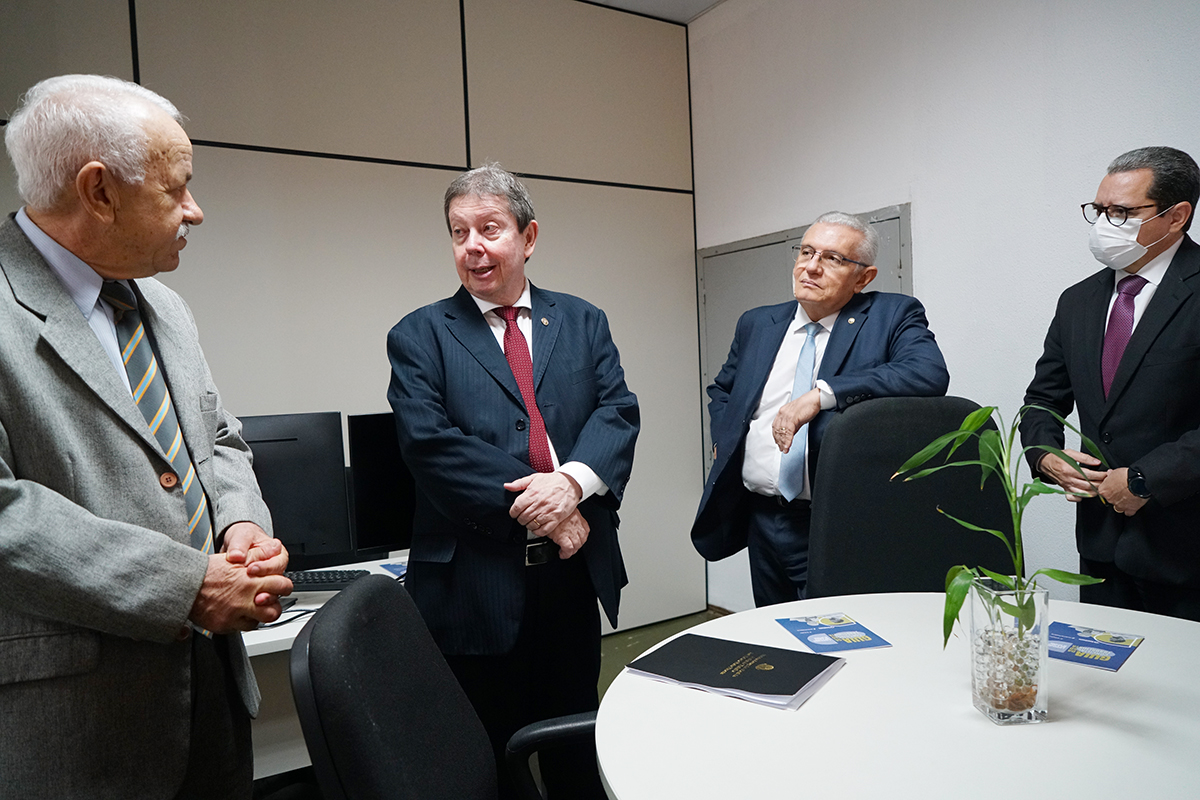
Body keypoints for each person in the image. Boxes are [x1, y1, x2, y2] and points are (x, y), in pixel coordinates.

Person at [0, 75, 292, 799]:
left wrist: (242, 522)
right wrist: (186, 586)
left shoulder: (164, 304)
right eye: (176, 189)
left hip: (215, 696)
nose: (196, 211)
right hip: (82, 722)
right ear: (98, 191)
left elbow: (217, 436)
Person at [386, 164, 639, 798]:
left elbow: (617, 412)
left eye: (489, 228)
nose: (472, 246)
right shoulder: (420, 335)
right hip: (474, 581)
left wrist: (573, 485)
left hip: (569, 576)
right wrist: (552, 503)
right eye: (458, 232)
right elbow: (432, 445)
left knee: (574, 740)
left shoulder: (582, 321)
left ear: (528, 237)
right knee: (488, 753)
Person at [692, 211, 949, 606]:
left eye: (832, 259)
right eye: (806, 252)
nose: (811, 267)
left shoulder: (891, 315)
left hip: (836, 522)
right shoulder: (758, 323)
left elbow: (927, 373)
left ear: (863, 277)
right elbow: (723, 389)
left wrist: (821, 395)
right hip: (761, 516)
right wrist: (725, 439)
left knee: (838, 636)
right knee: (777, 636)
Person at [1020, 146, 1200, 622]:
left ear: (1176, 215)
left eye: (1122, 212)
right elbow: (1042, 400)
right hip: (1100, 548)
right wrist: (1045, 456)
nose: (1104, 223)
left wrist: (1145, 480)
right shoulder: (1078, 301)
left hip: (1185, 548)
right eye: (1099, 210)